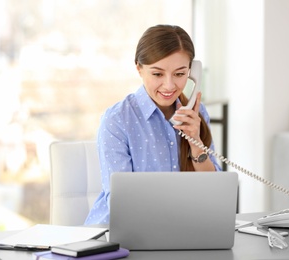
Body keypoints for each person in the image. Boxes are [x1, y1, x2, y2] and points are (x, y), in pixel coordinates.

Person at [85, 24, 221, 225]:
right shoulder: (117, 120)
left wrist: (195, 142)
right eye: (157, 74)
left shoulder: (196, 114)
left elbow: (214, 193)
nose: (169, 85)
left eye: (180, 74)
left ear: (192, 72)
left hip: (182, 230)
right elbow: (120, 202)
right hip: (119, 233)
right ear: (139, 68)